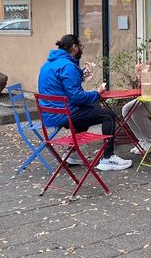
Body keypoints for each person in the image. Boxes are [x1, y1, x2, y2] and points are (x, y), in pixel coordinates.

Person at [37, 34, 133, 171]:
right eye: (81, 46)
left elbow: (60, 87)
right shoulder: (68, 66)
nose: (82, 50)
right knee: (108, 115)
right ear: (74, 47)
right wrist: (97, 93)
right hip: (64, 114)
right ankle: (108, 157)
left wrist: (80, 77)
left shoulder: (48, 64)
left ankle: (72, 153)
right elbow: (76, 97)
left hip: (50, 113)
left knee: (91, 108)